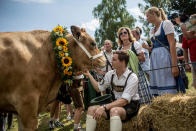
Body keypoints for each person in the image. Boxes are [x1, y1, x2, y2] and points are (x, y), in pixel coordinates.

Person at [84, 51, 140, 131]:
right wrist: (89, 75)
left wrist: (104, 107)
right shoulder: (110, 74)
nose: (111, 62)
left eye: (114, 59)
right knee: (91, 109)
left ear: (122, 62)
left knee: (114, 111)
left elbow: (124, 101)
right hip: (115, 103)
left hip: (131, 105)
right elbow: (98, 88)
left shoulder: (132, 77)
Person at [145, 7, 179, 96]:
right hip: (155, 60)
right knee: (158, 81)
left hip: (165, 58)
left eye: (148, 16)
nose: (146, 18)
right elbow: (154, 47)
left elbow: (172, 44)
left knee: (167, 79)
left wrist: (174, 65)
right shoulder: (152, 30)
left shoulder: (166, 24)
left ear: (154, 14)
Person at [117, 27, 152, 104]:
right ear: (119, 37)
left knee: (143, 96)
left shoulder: (135, 44)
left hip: (137, 73)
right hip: (126, 75)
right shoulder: (119, 48)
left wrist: (129, 56)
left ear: (129, 34)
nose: (123, 34)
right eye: (121, 33)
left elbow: (143, 58)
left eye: (125, 32)